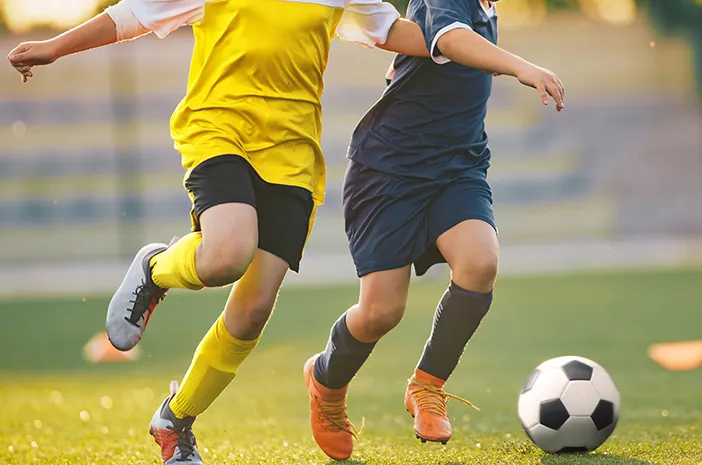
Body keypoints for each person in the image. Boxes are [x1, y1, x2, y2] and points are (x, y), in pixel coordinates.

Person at [7, 1, 429, 463]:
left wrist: (466, 46)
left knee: (252, 312)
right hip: (219, 129)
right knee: (226, 254)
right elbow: (135, 15)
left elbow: (391, 30)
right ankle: (156, 267)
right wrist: (55, 47)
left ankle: (175, 420)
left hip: (293, 157)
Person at [304, 0, 566, 460]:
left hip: (456, 168)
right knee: (382, 312)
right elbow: (448, 38)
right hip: (388, 172)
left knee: (480, 262)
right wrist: (522, 67)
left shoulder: (489, 7)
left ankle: (427, 387)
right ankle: (325, 381)